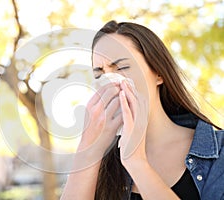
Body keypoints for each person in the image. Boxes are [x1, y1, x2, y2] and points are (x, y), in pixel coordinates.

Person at [60, 20, 224, 200]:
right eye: (99, 74)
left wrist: (136, 162)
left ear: (158, 73)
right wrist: (89, 149)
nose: (110, 81)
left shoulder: (219, 151)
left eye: (122, 67)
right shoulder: (100, 162)